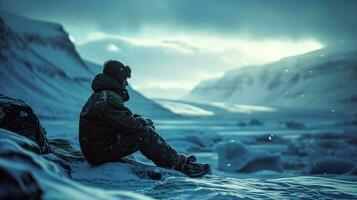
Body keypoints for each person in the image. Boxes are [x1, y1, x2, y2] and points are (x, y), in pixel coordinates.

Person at [79, 60, 211, 177]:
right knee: (145, 133)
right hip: (99, 153)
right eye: (125, 79)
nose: (126, 84)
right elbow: (129, 125)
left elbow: (122, 121)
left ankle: (171, 159)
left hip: (98, 148)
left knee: (140, 123)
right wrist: (144, 122)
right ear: (118, 78)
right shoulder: (108, 98)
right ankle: (178, 164)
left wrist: (140, 120)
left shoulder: (104, 95)